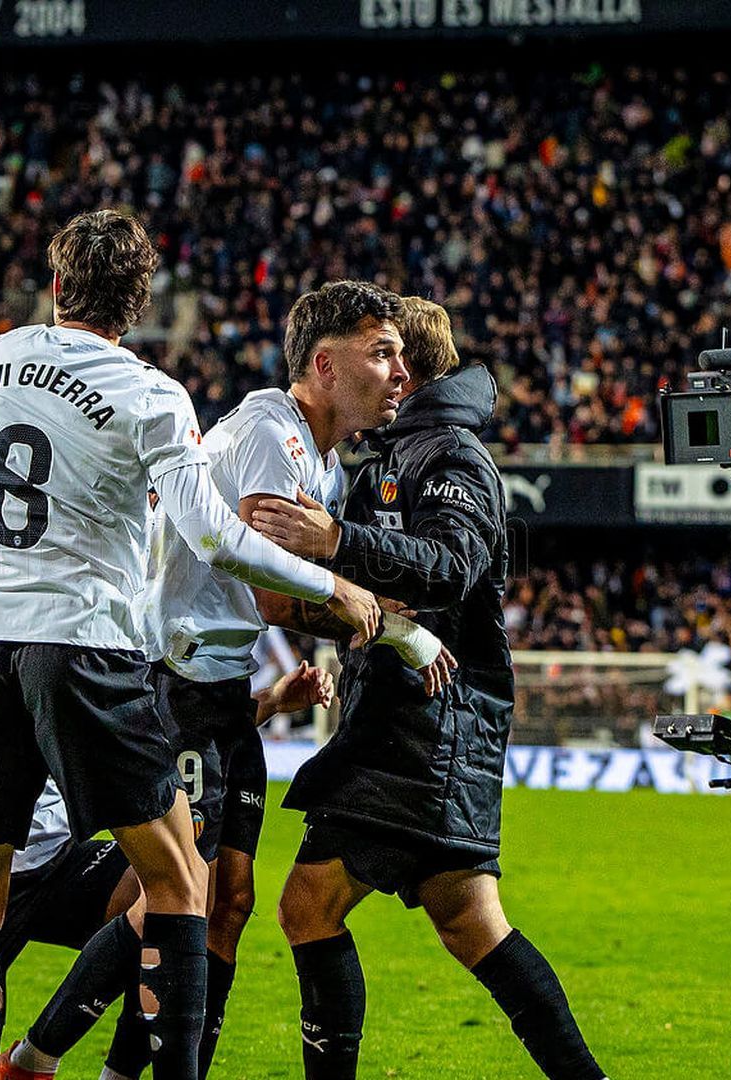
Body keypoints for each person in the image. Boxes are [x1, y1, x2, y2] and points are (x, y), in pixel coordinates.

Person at [0, 207, 381, 1080]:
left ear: (57, 286)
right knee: (179, 883)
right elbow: (214, 539)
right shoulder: (148, 393)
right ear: (138, 301)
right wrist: (336, 582)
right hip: (83, 641)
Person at [0, 280, 453, 1080]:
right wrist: (391, 624)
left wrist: (358, 614)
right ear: (324, 362)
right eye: (381, 353)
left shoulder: (328, 465)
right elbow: (276, 594)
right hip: (175, 682)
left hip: (222, 686)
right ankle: (36, 1057)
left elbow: (270, 600)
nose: (400, 373)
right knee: (175, 896)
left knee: (229, 904)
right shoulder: (268, 432)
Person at [250, 296, 608, 1080]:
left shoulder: (451, 455)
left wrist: (341, 542)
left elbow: (450, 566)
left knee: (307, 908)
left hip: (428, 725)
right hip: (417, 720)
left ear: (410, 369)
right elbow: (371, 598)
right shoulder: (397, 453)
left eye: (387, 357)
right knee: (471, 923)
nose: (385, 372)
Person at [0, 631, 331, 1080]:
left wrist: (264, 703)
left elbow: (148, 726)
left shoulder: (82, 612)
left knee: (177, 889)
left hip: (59, 857)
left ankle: (45, 1059)